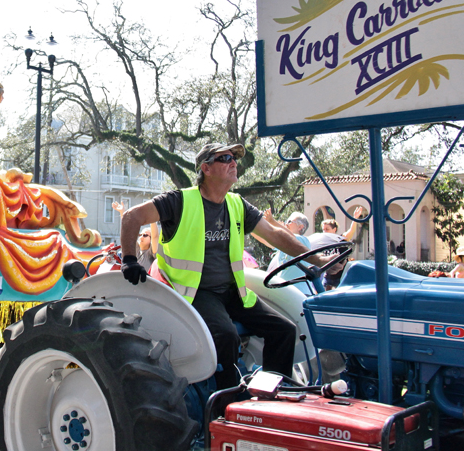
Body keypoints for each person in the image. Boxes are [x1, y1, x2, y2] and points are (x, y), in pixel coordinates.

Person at [120, 142, 324, 391]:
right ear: (206, 168)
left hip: (233, 292)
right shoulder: (179, 201)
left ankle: (271, 395)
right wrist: (129, 260)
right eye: (225, 158)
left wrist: (316, 259)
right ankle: (227, 401)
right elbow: (132, 216)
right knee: (227, 337)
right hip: (195, 292)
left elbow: (274, 234)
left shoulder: (237, 204)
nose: (233, 163)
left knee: (285, 331)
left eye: (234, 158)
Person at [254, 210, 311, 292]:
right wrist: (250, 228)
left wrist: (272, 222)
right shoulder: (284, 244)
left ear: (300, 227)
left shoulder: (304, 240)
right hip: (285, 292)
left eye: (290, 221)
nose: (286, 223)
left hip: (301, 292)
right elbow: (265, 239)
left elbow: (290, 236)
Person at [113, 201, 158, 270]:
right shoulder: (136, 249)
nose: (141, 237)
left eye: (145, 235)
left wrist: (152, 217)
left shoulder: (151, 253)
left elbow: (155, 236)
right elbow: (127, 230)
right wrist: (122, 212)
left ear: (151, 239)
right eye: (140, 235)